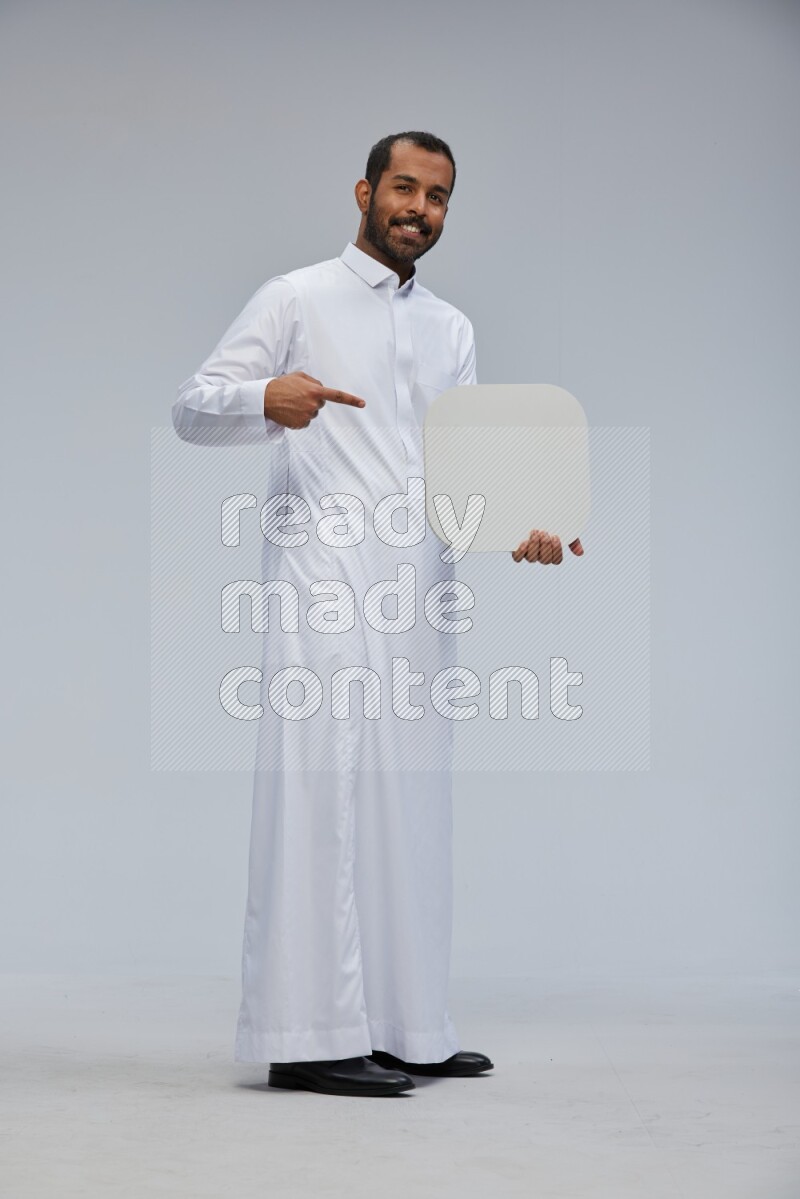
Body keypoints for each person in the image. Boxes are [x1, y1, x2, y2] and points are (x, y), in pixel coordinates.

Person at [173, 131, 583, 1098]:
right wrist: (263, 398)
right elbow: (194, 407)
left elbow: (475, 467)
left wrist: (529, 523)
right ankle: (307, 1034)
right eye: (405, 187)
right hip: (322, 581)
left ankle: (407, 1025)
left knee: (410, 805)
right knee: (319, 796)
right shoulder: (295, 297)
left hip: (419, 591)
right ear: (365, 190)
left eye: (439, 196)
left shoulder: (451, 327)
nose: (421, 209)